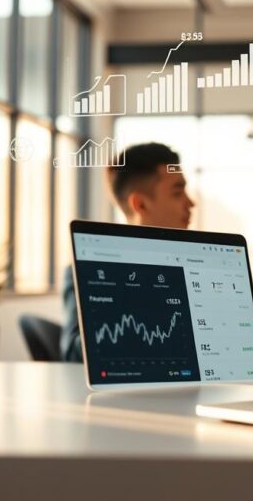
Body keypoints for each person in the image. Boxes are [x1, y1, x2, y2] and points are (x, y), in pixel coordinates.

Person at [59, 142, 195, 362]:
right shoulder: (87, 269)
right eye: (178, 193)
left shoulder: (196, 266)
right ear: (140, 204)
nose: (191, 203)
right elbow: (73, 354)